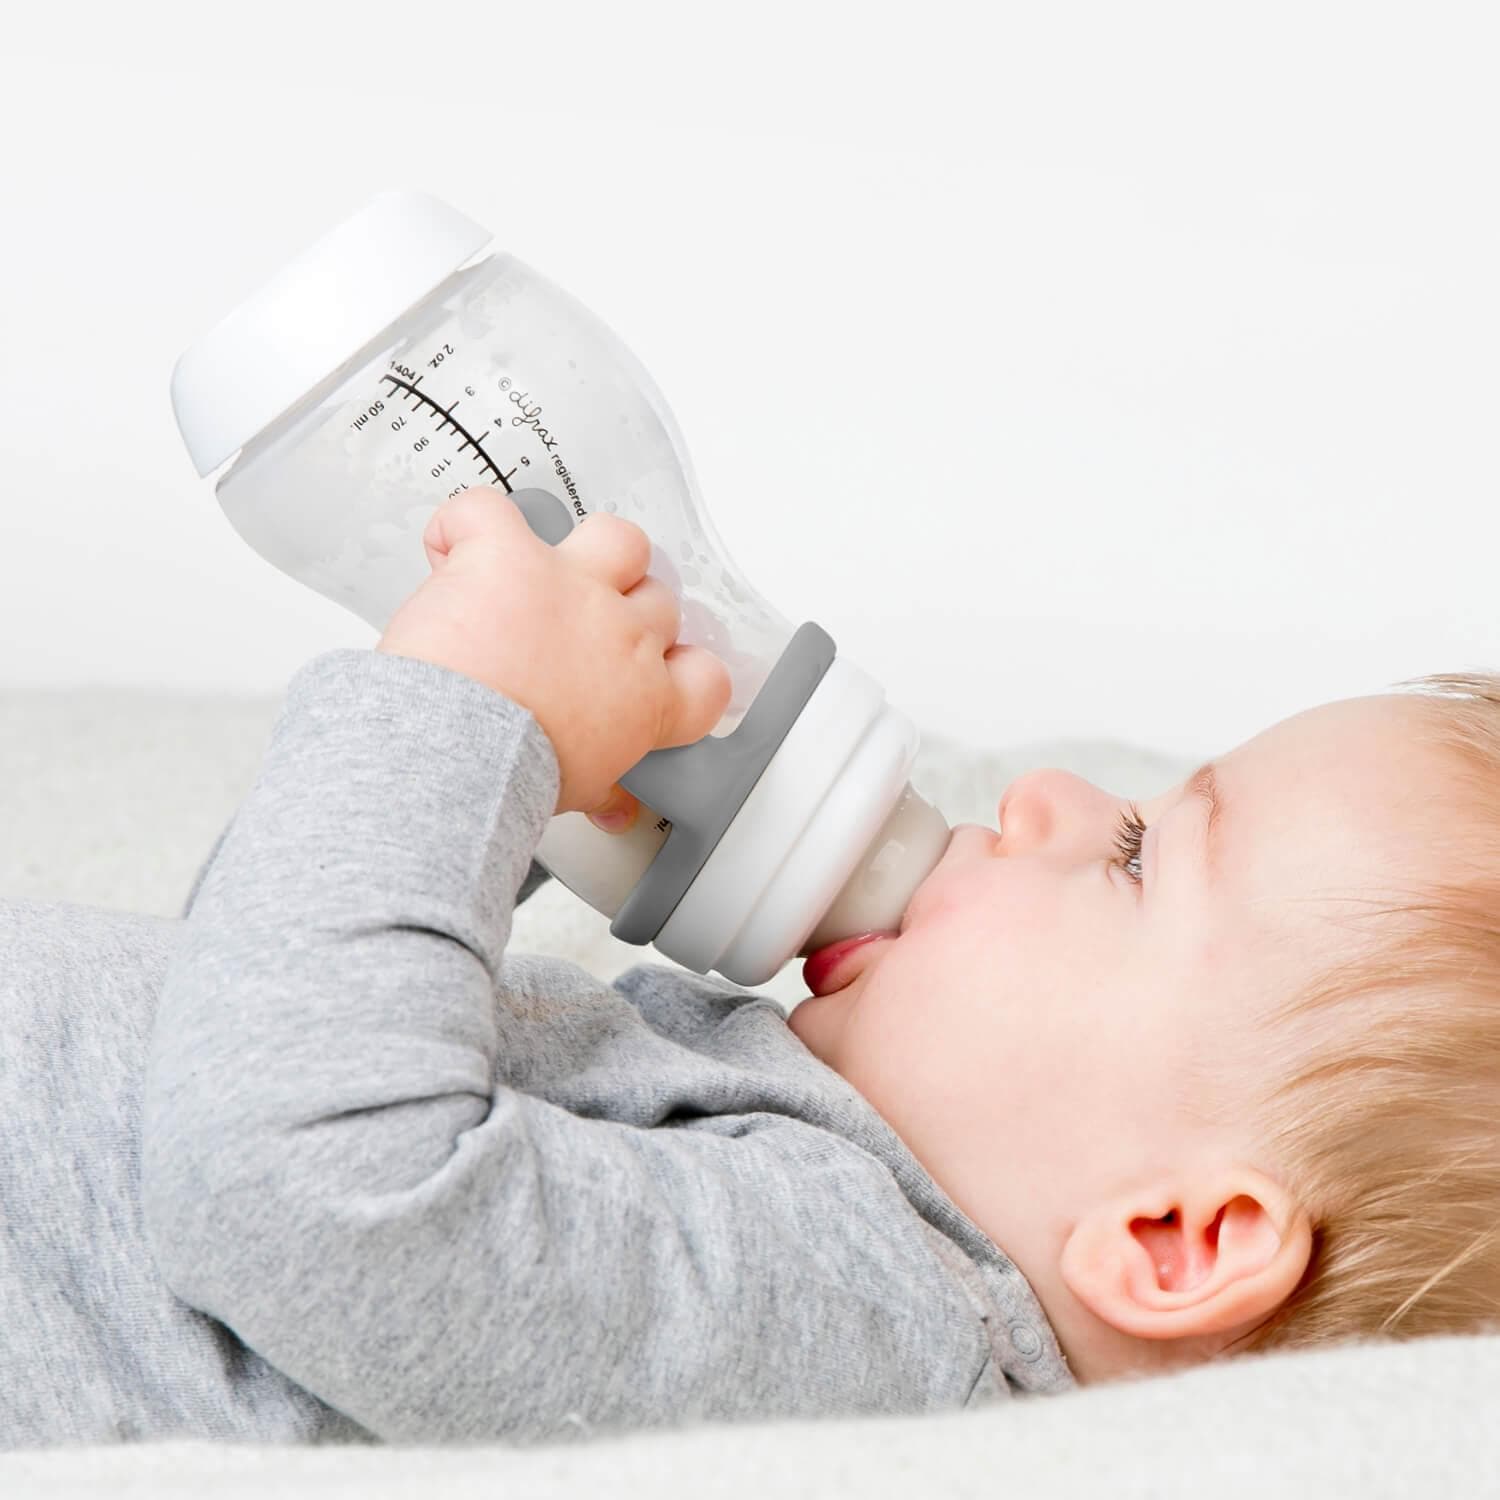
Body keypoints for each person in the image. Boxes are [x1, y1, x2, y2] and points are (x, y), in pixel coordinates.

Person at [4, 488, 1496, 1448]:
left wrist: (462, 721)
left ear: (1175, 1239)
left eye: (1136, 857)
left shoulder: (867, 1320)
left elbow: (294, 1189)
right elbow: (242, 1024)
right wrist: (520, 822)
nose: (1042, 794)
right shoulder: (833, 1192)